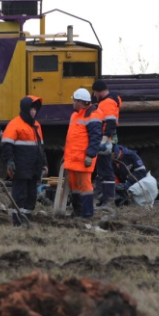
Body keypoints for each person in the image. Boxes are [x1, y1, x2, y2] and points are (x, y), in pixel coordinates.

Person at [0, 95, 48, 226]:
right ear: (25, 109)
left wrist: (44, 164)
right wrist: (9, 162)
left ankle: (26, 221)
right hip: (20, 168)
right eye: (31, 109)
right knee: (20, 196)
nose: (33, 111)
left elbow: (40, 148)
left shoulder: (36, 125)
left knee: (31, 196)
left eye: (35, 109)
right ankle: (17, 223)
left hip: (33, 168)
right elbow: (6, 145)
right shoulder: (14, 124)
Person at [63, 87, 102, 218]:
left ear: (80, 102)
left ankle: (87, 214)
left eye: (74, 101)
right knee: (74, 186)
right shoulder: (75, 115)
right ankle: (77, 212)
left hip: (83, 159)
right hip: (73, 158)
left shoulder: (93, 115)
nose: (73, 103)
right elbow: (72, 138)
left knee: (85, 187)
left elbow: (95, 138)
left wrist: (90, 155)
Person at [91, 78, 122, 208]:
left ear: (98, 91)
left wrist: (104, 138)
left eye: (94, 92)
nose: (93, 95)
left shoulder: (107, 102)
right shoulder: (107, 101)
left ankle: (108, 200)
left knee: (105, 169)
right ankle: (104, 198)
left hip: (105, 139)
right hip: (105, 138)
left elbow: (110, 122)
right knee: (102, 169)